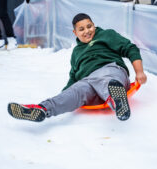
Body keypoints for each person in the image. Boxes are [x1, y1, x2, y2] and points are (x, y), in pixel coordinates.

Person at [8, 13, 147, 122]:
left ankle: (117, 100)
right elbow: (73, 76)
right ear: (75, 32)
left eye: (89, 26)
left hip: (110, 70)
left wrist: (139, 71)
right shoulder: (76, 52)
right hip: (87, 81)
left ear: (94, 25)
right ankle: (42, 109)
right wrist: (65, 94)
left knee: (107, 80)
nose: (87, 31)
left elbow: (130, 48)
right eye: (81, 29)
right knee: (74, 92)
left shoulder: (106, 35)